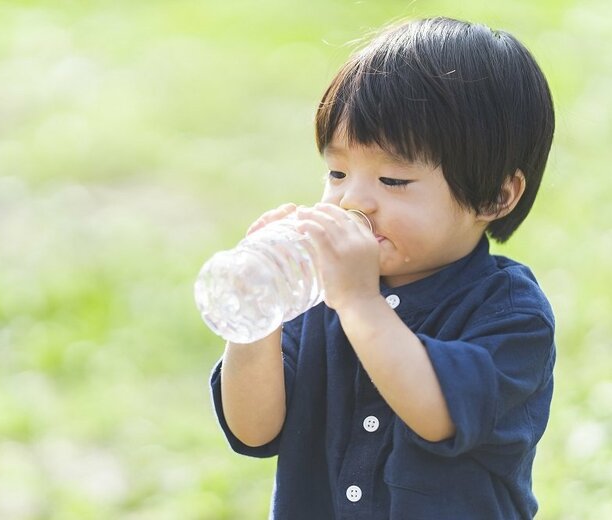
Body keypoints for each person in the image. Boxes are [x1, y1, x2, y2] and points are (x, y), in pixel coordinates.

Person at [209, 16, 556, 519]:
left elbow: (437, 415)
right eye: (338, 171)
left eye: (393, 179)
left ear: (496, 195)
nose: (354, 200)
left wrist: (359, 302)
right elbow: (253, 428)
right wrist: (255, 316)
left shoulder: (510, 313)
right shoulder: (321, 292)